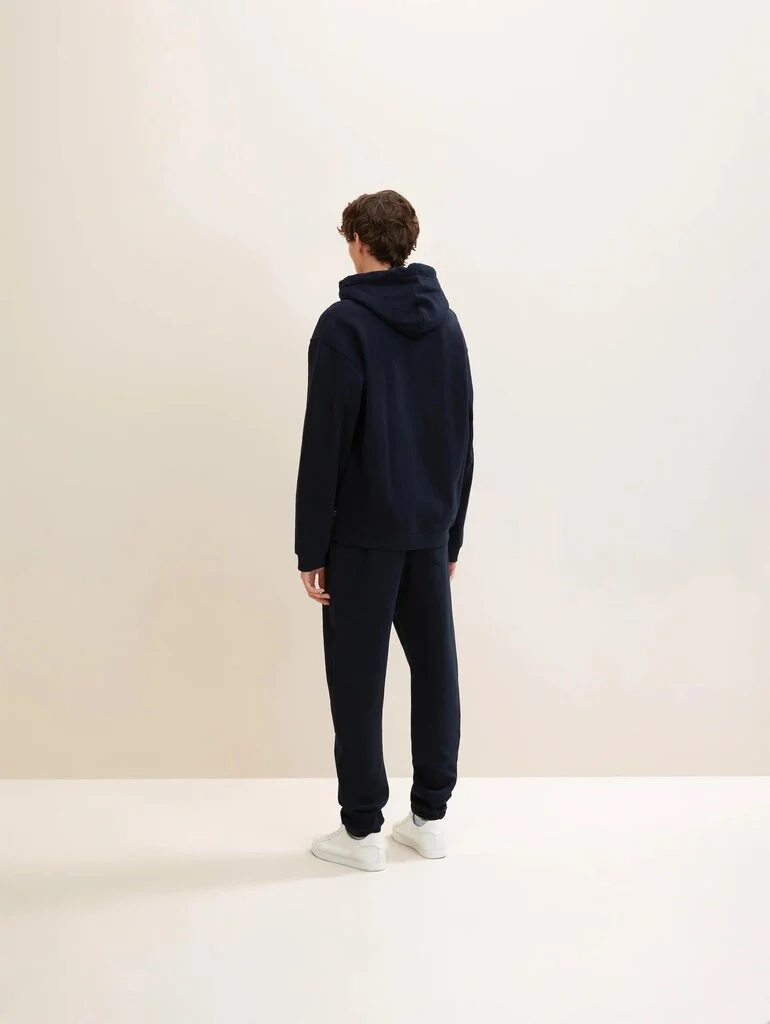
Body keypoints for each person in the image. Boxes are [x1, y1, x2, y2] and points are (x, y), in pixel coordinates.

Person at [295, 190, 474, 872]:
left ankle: (363, 831)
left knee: (357, 678)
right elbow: (461, 436)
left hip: (362, 538)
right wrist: (452, 533)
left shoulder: (343, 325)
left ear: (360, 242)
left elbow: (325, 443)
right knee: (436, 671)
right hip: (428, 533)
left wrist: (311, 546)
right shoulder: (446, 324)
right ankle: (430, 819)